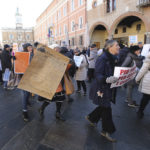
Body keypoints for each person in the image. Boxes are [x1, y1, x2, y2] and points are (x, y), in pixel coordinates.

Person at [86, 40, 120, 142]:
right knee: (107, 108)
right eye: (117, 45)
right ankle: (106, 131)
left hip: (108, 88)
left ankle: (91, 117)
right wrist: (107, 79)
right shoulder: (102, 58)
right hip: (101, 88)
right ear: (110, 47)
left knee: (103, 106)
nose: (119, 47)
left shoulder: (114, 58)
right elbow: (98, 74)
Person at [21, 43, 34, 122]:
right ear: (26, 48)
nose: (31, 48)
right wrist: (15, 59)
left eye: (31, 47)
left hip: (31, 76)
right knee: (24, 94)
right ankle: (24, 111)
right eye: (29, 47)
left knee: (28, 92)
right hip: (24, 77)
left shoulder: (32, 55)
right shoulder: (22, 54)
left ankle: (27, 101)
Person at [135, 52, 150, 119]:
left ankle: (140, 111)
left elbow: (142, 70)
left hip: (148, 81)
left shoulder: (148, 59)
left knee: (146, 97)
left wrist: (137, 79)